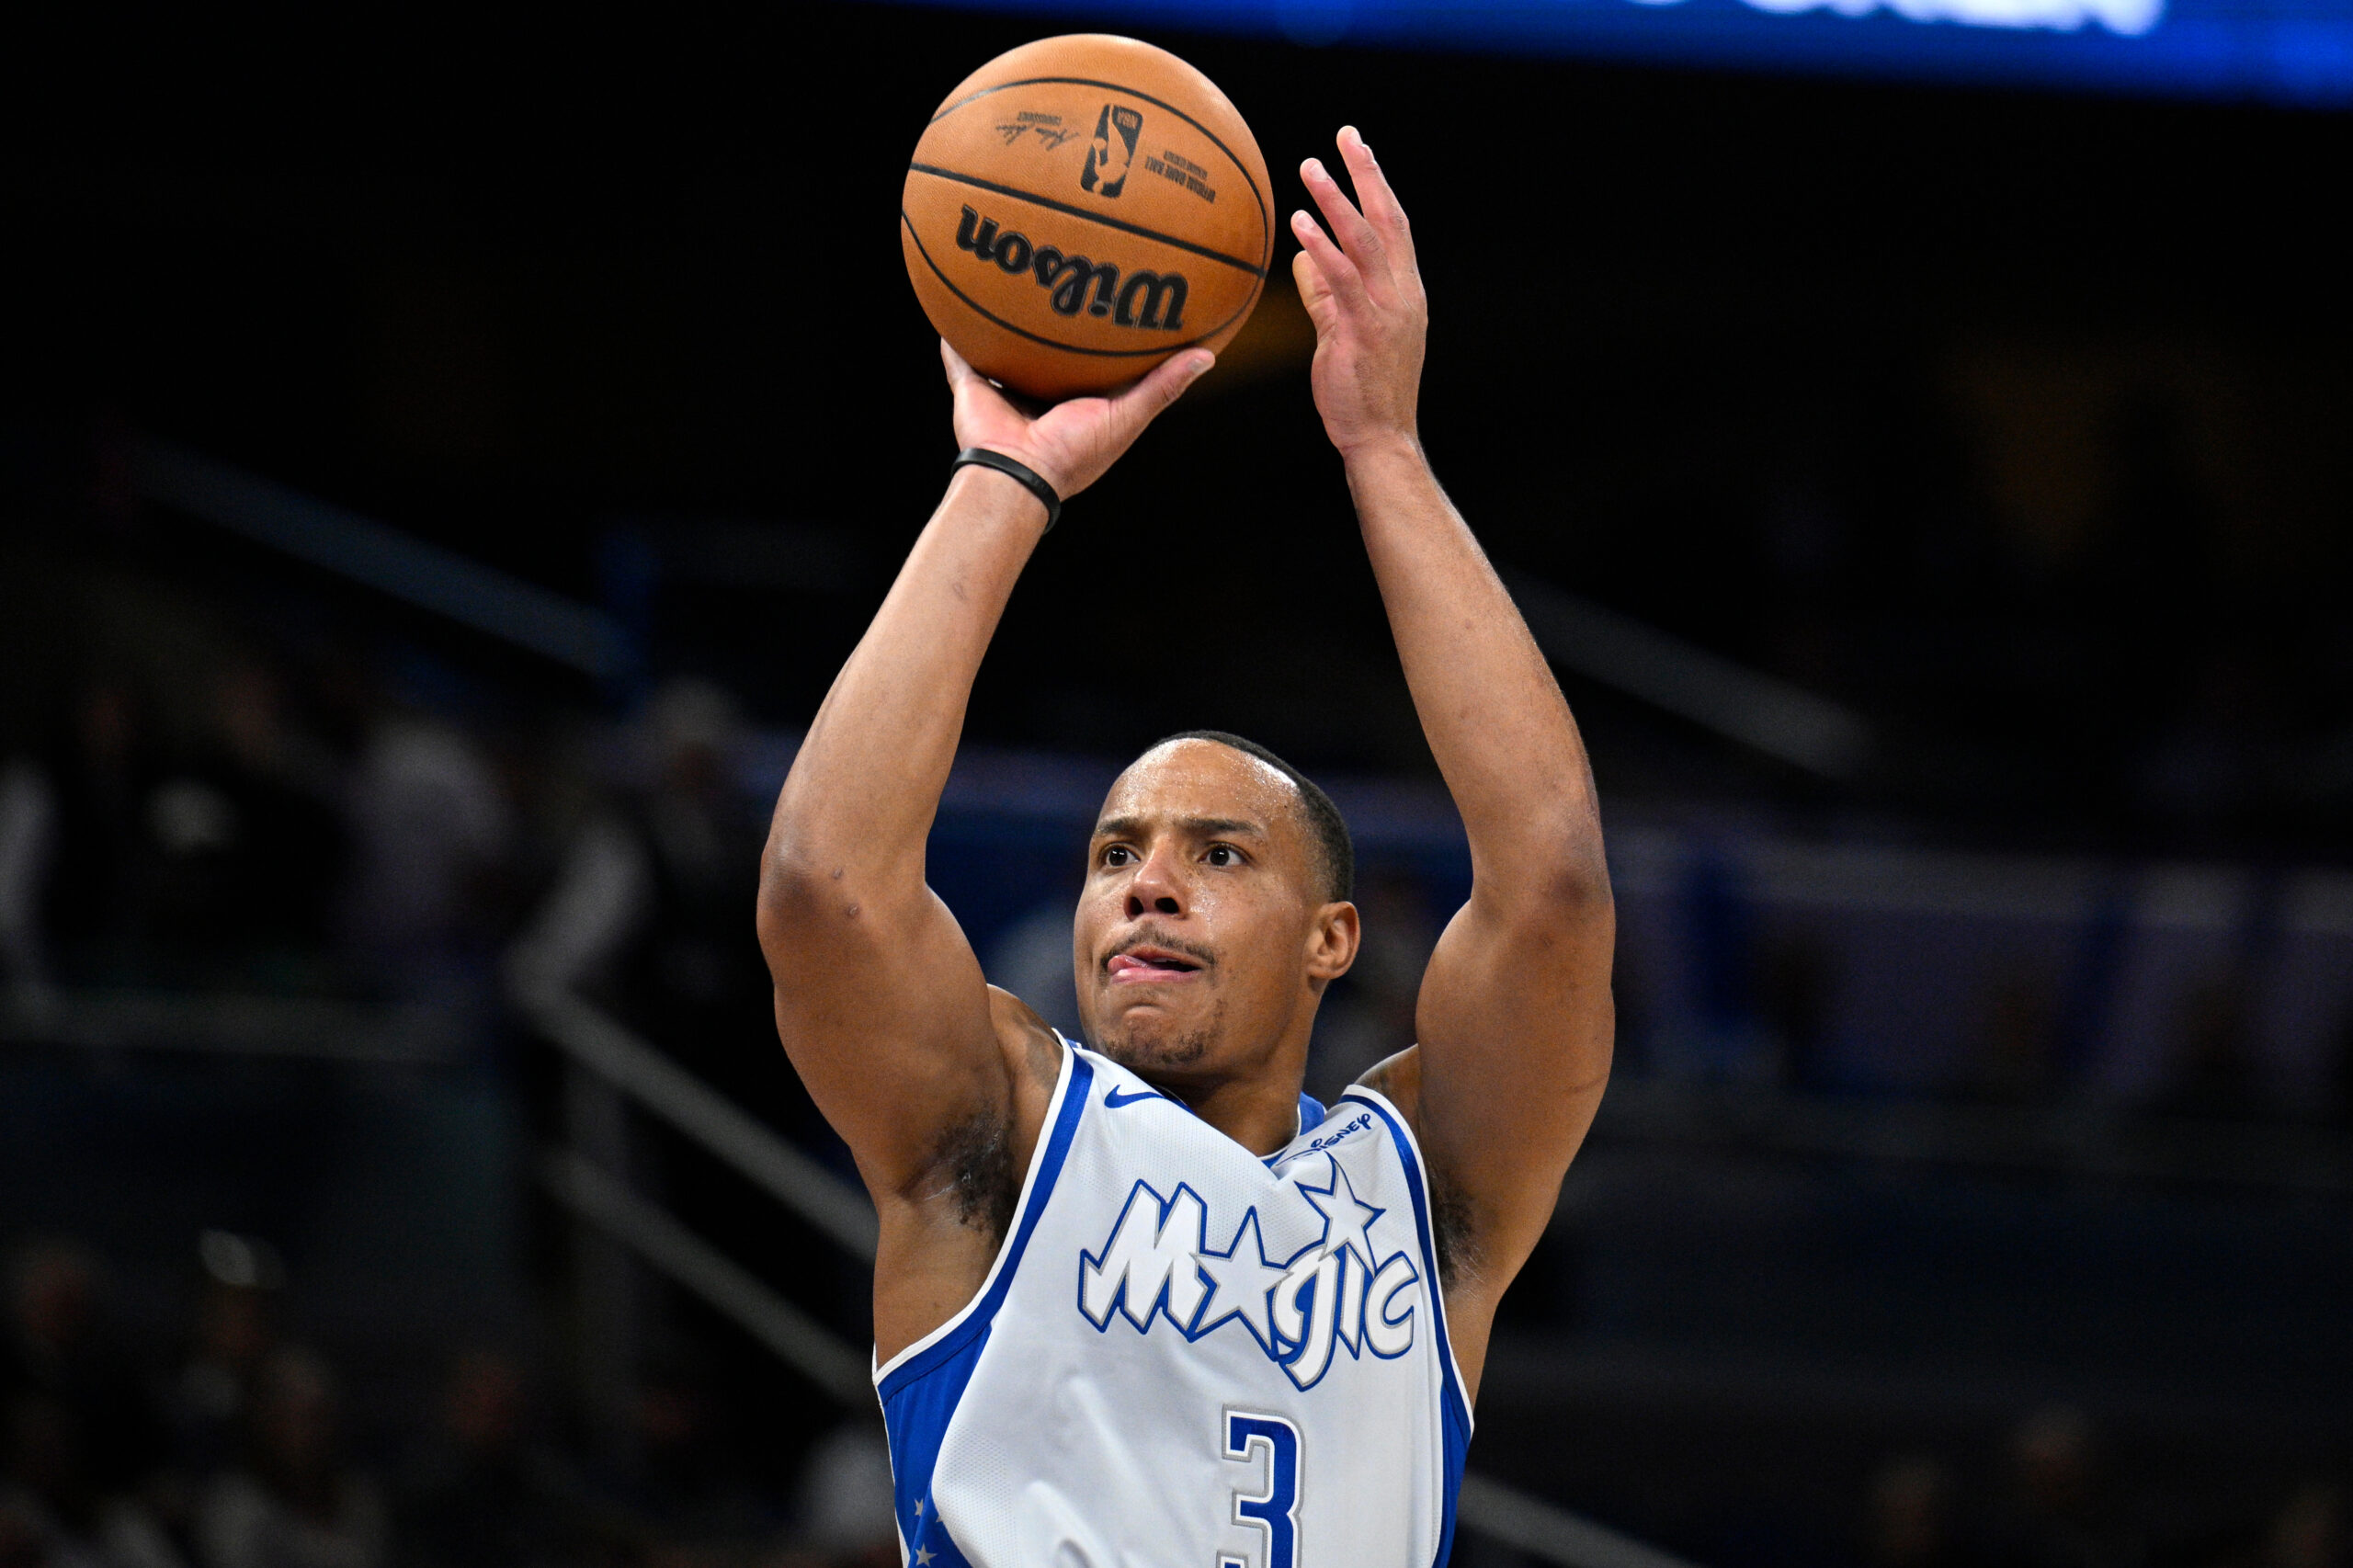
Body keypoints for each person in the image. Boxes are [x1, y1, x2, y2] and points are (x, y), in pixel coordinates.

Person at [757, 128, 1614, 1566]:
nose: (1145, 877)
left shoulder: (1431, 1194)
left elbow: (1555, 888)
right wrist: (1000, 484)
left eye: (1219, 855)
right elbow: (822, 892)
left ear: (1333, 938)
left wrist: (1385, 448)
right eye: (1112, 854)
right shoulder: (1007, 1132)